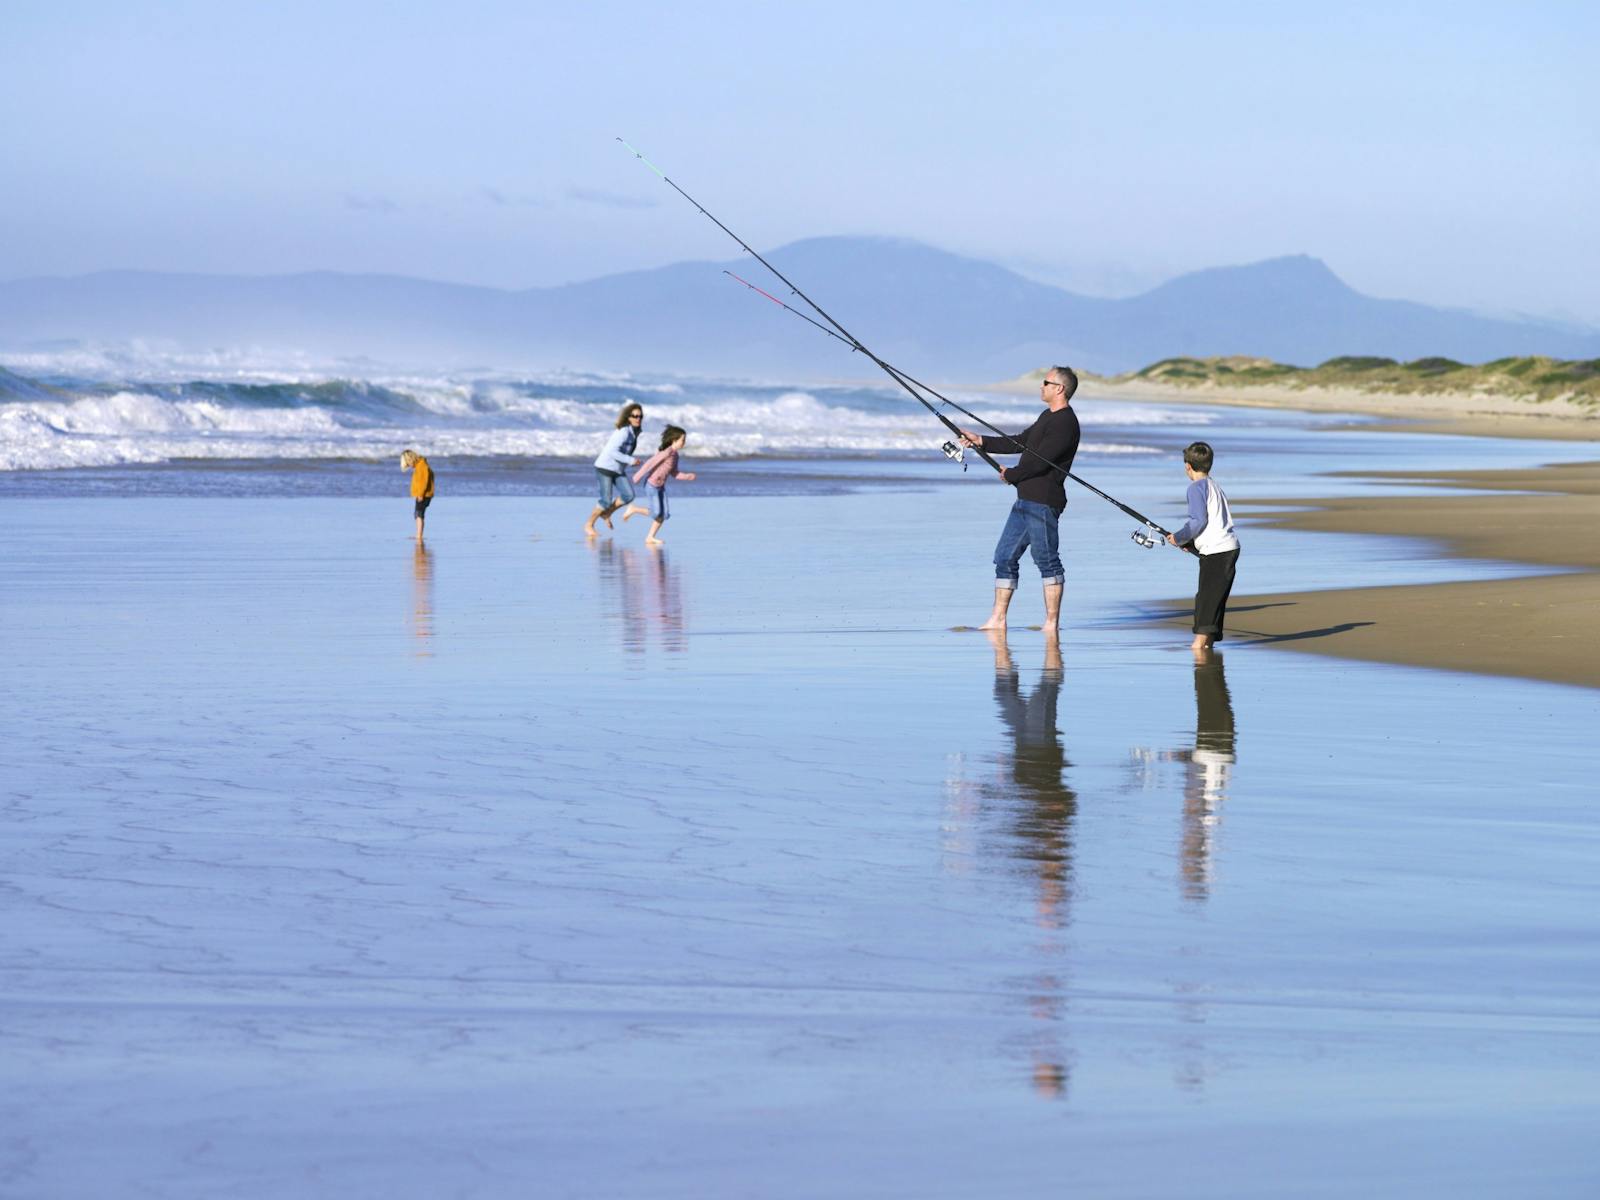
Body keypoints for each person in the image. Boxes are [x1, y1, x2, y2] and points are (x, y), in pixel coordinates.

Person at [958, 366, 1082, 633]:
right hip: (1025, 498)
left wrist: (1013, 474)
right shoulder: (1046, 417)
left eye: (1046, 382)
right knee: (1003, 556)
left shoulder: (1066, 423)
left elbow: (1042, 461)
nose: (1041, 386)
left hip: (1044, 501)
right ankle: (998, 620)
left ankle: (1052, 623)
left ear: (1059, 388)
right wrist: (981, 441)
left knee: (1046, 559)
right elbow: (1019, 443)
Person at [1166, 440, 1240, 655]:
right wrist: (1191, 543)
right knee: (1213, 600)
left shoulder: (1195, 488)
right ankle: (1206, 647)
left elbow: (1198, 521)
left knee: (1207, 601)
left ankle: (1198, 648)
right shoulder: (1214, 486)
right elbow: (1213, 522)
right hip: (1226, 548)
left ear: (1188, 466)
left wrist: (1179, 538)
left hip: (1218, 551)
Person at [584, 403, 649, 536]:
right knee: (606, 500)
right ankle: (589, 524)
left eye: (640, 416)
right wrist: (631, 460)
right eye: (635, 416)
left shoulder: (634, 433)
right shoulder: (624, 431)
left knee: (628, 495)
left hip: (617, 470)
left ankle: (607, 513)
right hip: (605, 468)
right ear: (628, 417)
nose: (638, 419)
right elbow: (612, 452)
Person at [628, 424, 697, 545]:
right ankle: (633, 509)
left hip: (660, 487)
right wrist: (637, 477)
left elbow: (674, 473)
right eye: (682, 440)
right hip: (651, 485)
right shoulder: (667, 452)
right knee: (656, 513)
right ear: (674, 440)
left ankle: (650, 537)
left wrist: (687, 476)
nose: (684, 442)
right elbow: (650, 463)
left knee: (664, 515)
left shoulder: (675, 455)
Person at [399, 449, 434, 543]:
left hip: (423, 494)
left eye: (408, 463)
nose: (409, 465)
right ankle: (418, 534)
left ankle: (419, 536)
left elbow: (424, 481)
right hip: (421, 494)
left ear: (410, 459)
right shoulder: (420, 465)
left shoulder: (422, 466)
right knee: (418, 514)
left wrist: (421, 494)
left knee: (419, 514)